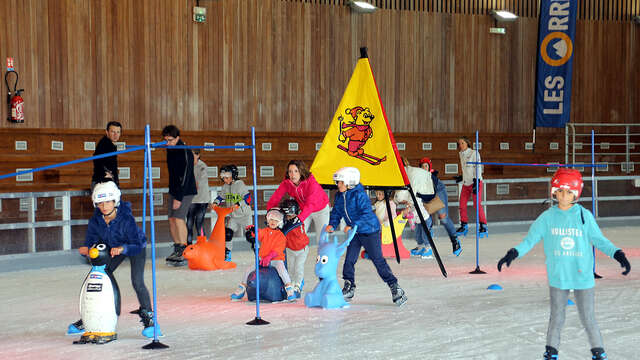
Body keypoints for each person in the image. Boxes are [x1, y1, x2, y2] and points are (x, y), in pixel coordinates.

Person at [497, 168, 631, 360]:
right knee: (557, 317)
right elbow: (530, 240)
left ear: (576, 193)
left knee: (588, 317)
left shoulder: (584, 216)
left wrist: (618, 254)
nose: (563, 196)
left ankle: (598, 351)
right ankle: (551, 351)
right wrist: (512, 253)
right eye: (560, 191)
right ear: (554, 191)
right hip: (558, 275)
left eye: (568, 192)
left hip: (582, 275)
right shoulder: (548, 217)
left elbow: (599, 240)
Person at [67, 181, 160, 338]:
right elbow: (91, 242)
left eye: (108, 202)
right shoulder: (95, 220)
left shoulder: (126, 219)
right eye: (100, 203)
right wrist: (88, 250)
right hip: (112, 249)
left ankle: (150, 318)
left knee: (137, 281)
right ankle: (89, 317)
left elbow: (136, 244)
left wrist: (123, 248)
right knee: (98, 276)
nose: (104, 206)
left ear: (115, 201)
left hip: (133, 247)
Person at [325, 167, 407, 306]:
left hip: (370, 231)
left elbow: (366, 214)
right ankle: (349, 286)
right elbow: (337, 213)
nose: (337, 185)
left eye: (340, 182)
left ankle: (395, 287)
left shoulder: (359, 194)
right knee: (349, 259)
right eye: (337, 182)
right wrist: (332, 224)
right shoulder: (340, 195)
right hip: (355, 232)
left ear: (350, 182)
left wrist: (353, 225)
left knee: (378, 260)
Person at [230, 208, 296, 302]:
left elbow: (278, 249)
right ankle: (242, 288)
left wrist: (270, 257)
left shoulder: (281, 236)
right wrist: (253, 230)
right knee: (249, 269)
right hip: (262, 259)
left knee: (281, 269)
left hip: (276, 259)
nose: (273, 222)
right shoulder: (265, 231)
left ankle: (289, 288)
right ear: (268, 221)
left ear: (280, 222)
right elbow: (258, 234)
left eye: (276, 220)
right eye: (271, 220)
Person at [266, 160, 330, 246]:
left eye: (296, 171)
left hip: (320, 210)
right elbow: (275, 197)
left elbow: (310, 204)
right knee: (298, 237)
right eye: (290, 171)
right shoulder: (287, 183)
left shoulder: (311, 182)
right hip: (304, 210)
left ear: (301, 171)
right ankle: (300, 257)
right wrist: (270, 213)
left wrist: (299, 219)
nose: (293, 175)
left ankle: (323, 259)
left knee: (321, 239)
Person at [162, 125, 197, 266]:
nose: (167, 143)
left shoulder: (185, 152)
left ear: (177, 138)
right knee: (171, 218)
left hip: (185, 191)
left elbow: (185, 177)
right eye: (165, 140)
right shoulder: (171, 150)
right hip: (174, 189)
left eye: (170, 140)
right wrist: (173, 193)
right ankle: (177, 248)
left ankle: (184, 250)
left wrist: (179, 198)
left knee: (178, 218)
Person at [419, 157, 462, 256]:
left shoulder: (432, 177)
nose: (424, 168)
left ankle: (455, 241)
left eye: (426, 166)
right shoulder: (419, 177)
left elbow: (432, 195)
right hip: (427, 194)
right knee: (423, 218)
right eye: (422, 166)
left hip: (438, 192)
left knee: (444, 218)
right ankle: (425, 246)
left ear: (429, 167)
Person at [211, 164, 252, 261]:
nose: (224, 179)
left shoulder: (240, 185)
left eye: (226, 177)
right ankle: (227, 255)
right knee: (227, 234)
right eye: (223, 177)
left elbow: (248, 198)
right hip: (233, 216)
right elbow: (221, 197)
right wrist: (215, 203)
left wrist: (238, 204)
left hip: (244, 216)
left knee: (250, 236)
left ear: (233, 176)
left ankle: (259, 254)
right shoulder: (225, 186)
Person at [455, 136, 487, 236]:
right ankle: (464, 225)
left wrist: (476, 181)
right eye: (459, 144)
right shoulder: (461, 154)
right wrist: (462, 176)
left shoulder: (474, 153)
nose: (460, 145)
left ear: (467, 143)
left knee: (477, 204)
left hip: (475, 182)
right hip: (466, 183)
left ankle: (483, 226)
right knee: (462, 204)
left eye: (462, 143)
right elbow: (466, 168)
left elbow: (477, 167)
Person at [280, 198, 310, 298]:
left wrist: (286, 226)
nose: (288, 218)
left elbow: (293, 232)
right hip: (290, 249)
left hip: (302, 250)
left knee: (298, 267)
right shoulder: (285, 223)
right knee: (291, 268)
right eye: (287, 216)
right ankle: (292, 283)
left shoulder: (298, 223)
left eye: (290, 216)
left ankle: (298, 284)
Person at [186, 149, 210, 245]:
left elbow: (196, 184)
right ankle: (189, 245)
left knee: (199, 222)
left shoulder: (202, 167)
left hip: (202, 200)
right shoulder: (188, 165)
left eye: (192, 155)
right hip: (191, 199)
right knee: (189, 223)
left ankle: (202, 244)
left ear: (198, 155)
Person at [91, 121, 122, 189]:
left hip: (108, 181)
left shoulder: (111, 145)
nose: (115, 135)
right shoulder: (104, 143)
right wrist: (104, 174)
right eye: (113, 132)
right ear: (107, 132)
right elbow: (96, 159)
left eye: (118, 132)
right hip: (102, 182)